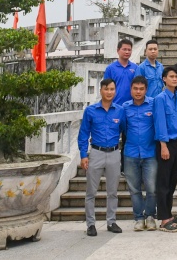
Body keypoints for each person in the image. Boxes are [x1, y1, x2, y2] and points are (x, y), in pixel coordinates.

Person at [78, 78, 124, 237]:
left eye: (112, 89)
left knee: (113, 191)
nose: (109, 92)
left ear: (115, 91)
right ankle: (90, 224)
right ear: (101, 90)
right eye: (106, 89)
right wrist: (84, 155)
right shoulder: (90, 111)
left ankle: (111, 221)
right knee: (91, 191)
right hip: (96, 153)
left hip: (114, 153)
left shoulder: (120, 110)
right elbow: (83, 134)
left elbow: (125, 131)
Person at [120, 76, 157, 232]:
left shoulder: (153, 104)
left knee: (152, 188)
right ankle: (138, 218)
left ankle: (150, 216)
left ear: (146, 90)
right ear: (131, 89)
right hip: (131, 153)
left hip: (150, 153)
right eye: (135, 88)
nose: (138, 92)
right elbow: (123, 128)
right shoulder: (125, 107)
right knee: (134, 189)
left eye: (141, 89)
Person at [154, 67, 177, 233]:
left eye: (176, 77)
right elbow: (160, 122)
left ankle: (170, 214)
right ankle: (164, 218)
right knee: (164, 182)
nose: (174, 79)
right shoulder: (160, 98)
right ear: (164, 79)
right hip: (165, 144)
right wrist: (164, 145)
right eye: (171, 76)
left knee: (173, 181)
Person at [104, 38, 137, 105]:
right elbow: (106, 89)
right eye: (124, 49)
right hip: (115, 105)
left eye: (129, 50)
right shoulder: (110, 68)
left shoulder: (136, 68)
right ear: (118, 50)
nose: (127, 52)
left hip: (132, 106)